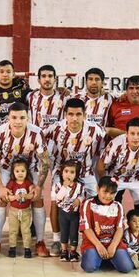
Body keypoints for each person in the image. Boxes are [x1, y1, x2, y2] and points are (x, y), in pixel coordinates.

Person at [0, 102, 50, 257]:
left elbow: (45, 161)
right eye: (14, 117)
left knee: (37, 199)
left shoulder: (36, 133)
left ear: (27, 118)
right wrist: (1, 186)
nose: (18, 121)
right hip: (7, 167)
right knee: (1, 198)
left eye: (22, 117)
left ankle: (40, 242)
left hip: (30, 167)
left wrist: (39, 186)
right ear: (8, 118)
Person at [45, 97, 106, 256]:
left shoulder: (95, 130)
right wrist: (48, 163)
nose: (74, 118)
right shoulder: (55, 129)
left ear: (84, 115)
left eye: (78, 114)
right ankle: (57, 240)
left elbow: (103, 151)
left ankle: (92, 237)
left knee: (97, 202)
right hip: (61, 172)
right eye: (70, 114)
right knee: (55, 201)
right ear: (65, 114)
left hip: (85, 173)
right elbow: (40, 141)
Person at [97, 117, 139, 240]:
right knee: (107, 201)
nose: (135, 137)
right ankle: (110, 234)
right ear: (126, 133)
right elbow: (100, 165)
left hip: (137, 176)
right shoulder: (116, 144)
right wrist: (104, 184)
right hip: (116, 177)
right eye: (132, 133)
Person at [79, 176, 133, 273]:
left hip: (112, 242)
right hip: (94, 243)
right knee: (89, 267)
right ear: (97, 189)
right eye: (105, 191)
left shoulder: (118, 206)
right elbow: (87, 229)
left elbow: (120, 229)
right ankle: (101, 258)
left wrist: (113, 245)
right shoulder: (88, 204)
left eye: (112, 193)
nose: (108, 196)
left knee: (127, 268)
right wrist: (99, 246)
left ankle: (106, 258)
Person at [0, 60, 30, 139]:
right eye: (2, 72)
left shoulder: (22, 90)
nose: (5, 75)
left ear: (13, 74)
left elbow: (38, 95)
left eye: (8, 72)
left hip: (17, 137)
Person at [50, 159, 85, 262]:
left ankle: (73, 251)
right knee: (64, 232)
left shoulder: (79, 186)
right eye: (66, 171)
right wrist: (65, 186)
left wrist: (79, 200)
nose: (68, 174)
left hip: (74, 214)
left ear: (76, 174)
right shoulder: (58, 186)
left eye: (72, 172)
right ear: (61, 172)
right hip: (63, 213)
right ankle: (64, 251)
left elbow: (83, 195)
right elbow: (58, 198)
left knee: (74, 232)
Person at [6, 158, 36, 258]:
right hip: (13, 211)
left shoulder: (28, 183)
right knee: (13, 230)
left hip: (26, 211)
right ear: (13, 172)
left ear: (27, 172)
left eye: (22, 171)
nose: (20, 173)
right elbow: (8, 197)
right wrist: (15, 197)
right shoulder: (11, 183)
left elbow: (32, 195)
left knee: (26, 230)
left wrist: (25, 196)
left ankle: (27, 248)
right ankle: (12, 248)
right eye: (17, 171)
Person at [26, 65, 68, 129]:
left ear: (55, 79)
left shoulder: (64, 98)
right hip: (36, 138)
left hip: (56, 138)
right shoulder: (30, 96)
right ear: (39, 80)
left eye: (50, 76)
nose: (47, 79)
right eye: (43, 76)